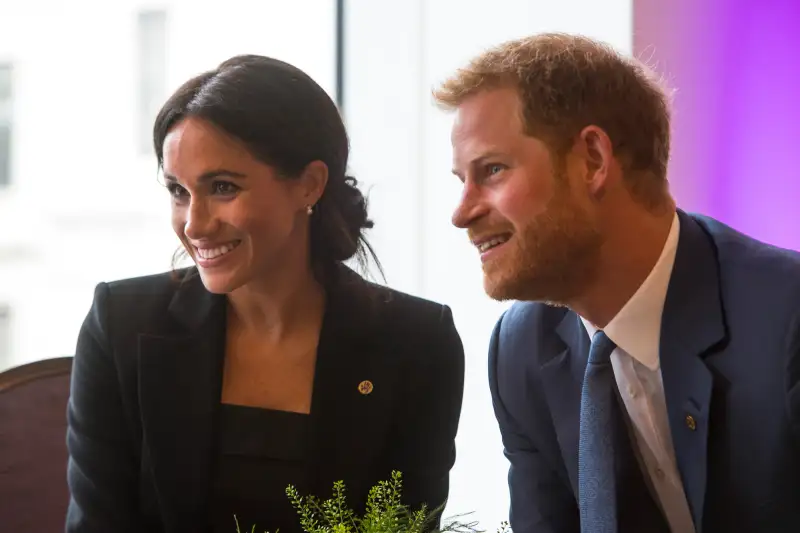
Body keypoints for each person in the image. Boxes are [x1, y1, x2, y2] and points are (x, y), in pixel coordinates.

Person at [66, 55, 465, 533]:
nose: (194, 223)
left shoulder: (417, 342)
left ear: (309, 185)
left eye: (222, 187)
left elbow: (406, 526)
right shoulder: (120, 324)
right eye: (178, 191)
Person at [434, 33, 800, 533]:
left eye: (492, 170)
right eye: (462, 180)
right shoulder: (521, 349)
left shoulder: (787, 319)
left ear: (593, 160)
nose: (462, 212)